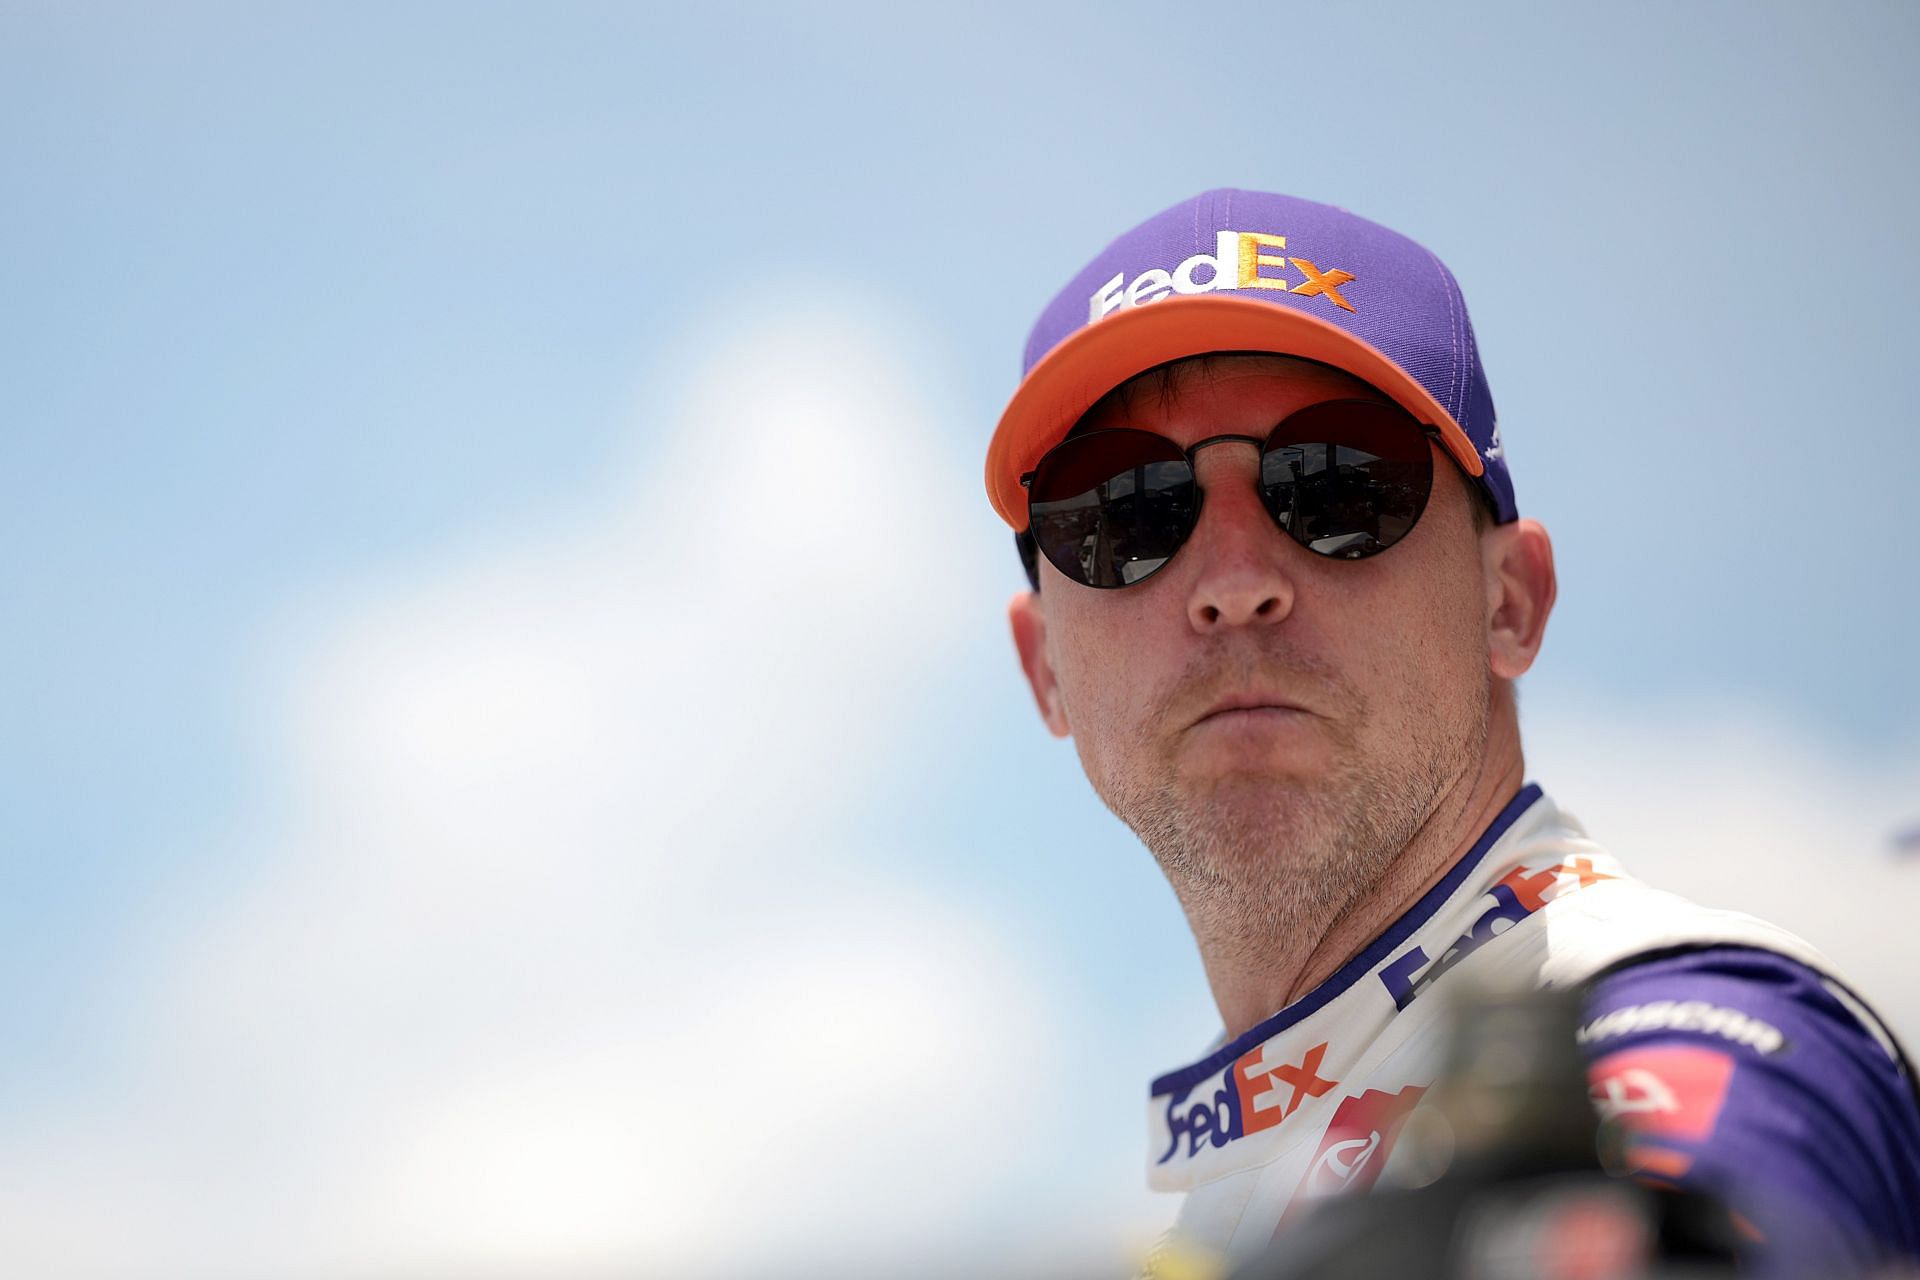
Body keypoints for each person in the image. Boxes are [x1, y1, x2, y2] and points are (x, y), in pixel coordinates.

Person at [983, 189, 1920, 1275]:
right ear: (1044, 664)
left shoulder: (1676, 1007)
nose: (1232, 584)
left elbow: (1710, 1182)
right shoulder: (1232, 1185)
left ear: (1510, 600)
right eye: (1121, 511)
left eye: (1337, 483)